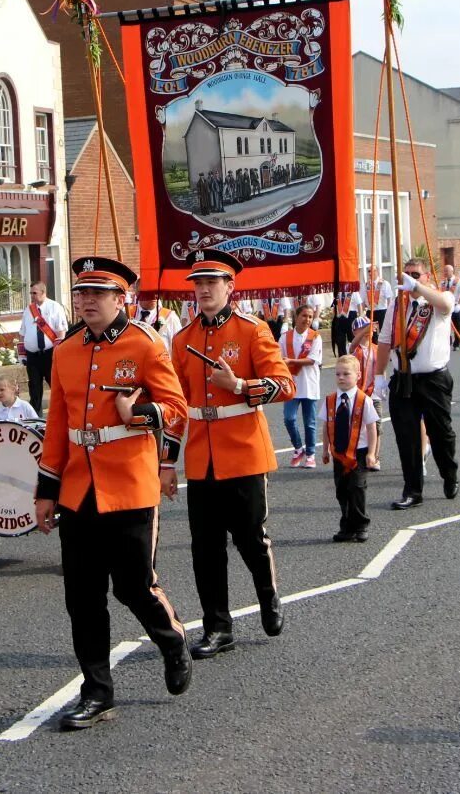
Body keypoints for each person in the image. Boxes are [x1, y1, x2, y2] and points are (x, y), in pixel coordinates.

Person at [33, 256, 191, 731]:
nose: (87, 302)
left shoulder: (144, 343)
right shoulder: (65, 350)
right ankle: (97, 693)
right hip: (79, 491)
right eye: (81, 294)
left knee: (133, 587)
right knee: (82, 598)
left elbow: (176, 407)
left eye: (98, 294)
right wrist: (47, 490)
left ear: (121, 298)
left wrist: (137, 413)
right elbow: (57, 424)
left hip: (129, 486)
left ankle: (171, 639)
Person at [169, 249, 295, 659]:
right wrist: (167, 462)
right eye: (198, 284)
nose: (203, 290)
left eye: (211, 283)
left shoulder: (252, 330)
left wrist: (240, 385)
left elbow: (284, 385)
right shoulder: (183, 339)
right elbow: (176, 406)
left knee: (251, 538)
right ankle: (217, 627)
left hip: (243, 451)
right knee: (205, 548)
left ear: (230, 287)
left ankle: (269, 597)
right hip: (202, 456)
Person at [373, 257, 458, 510]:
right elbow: (385, 341)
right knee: (406, 437)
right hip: (403, 379)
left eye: (416, 274)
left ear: (427, 277)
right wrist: (379, 375)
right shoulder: (396, 307)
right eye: (407, 274)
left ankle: (449, 473)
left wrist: (419, 289)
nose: (411, 278)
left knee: (440, 433)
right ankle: (412, 490)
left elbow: (445, 303)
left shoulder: (438, 301)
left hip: (433, 380)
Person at [321, 354, 379, 542]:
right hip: (339, 453)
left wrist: (371, 453)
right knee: (342, 490)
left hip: (359, 453)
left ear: (358, 376)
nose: (341, 377)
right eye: (337, 374)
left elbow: (372, 428)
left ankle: (361, 525)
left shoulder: (364, 400)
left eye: (346, 373)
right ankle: (347, 526)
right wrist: (325, 449)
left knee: (357, 488)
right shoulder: (331, 400)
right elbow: (326, 426)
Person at [280, 303, 322, 469]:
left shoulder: (315, 337)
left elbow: (312, 360)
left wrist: (291, 361)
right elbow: (278, 355)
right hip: (291, 384)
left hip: (309, 384)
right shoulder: (285, 337)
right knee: (289, 418)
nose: (307, 319)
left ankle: (310, 454)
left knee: (309, 422)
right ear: (296, 317)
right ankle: (298, 448)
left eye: (310, 317)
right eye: (304, 316)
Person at [18, 281, 67, 416]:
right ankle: (36, 419)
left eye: (34, 293)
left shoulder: (55, 307)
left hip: (49, 355)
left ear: (43, 293)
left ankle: (63, 415)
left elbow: (61, 333)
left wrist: (58, 354)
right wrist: (22, 355)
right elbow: (22, 333)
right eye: (31, 293)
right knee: (34, 389)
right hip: (32, 356)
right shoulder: (28, 310)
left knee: (56, 386)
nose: (32, 296)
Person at [349, 315, 382, 469]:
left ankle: (375, 457)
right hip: (358, 394)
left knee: (376, 425)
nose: (369, 331)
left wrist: (383, 387)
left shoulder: (376, 348)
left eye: (369, 328)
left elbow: (382, 369)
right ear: (355, 331)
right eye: (362, 329)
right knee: (357, 426)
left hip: (374, 393)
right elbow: (352, 346)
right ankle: (357, 455)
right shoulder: (355, 349)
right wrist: (364, 331)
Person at [440, 264, 460, 351]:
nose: (445, 272)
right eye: (444, 271)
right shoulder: (443, 282)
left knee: (457, 326)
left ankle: (457, 343)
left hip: (455, 306)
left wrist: (459, 304)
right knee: (446, 326)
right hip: (446, 307)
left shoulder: (458, 281)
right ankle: (448, 342)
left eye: (447, 271)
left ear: (451, 271)